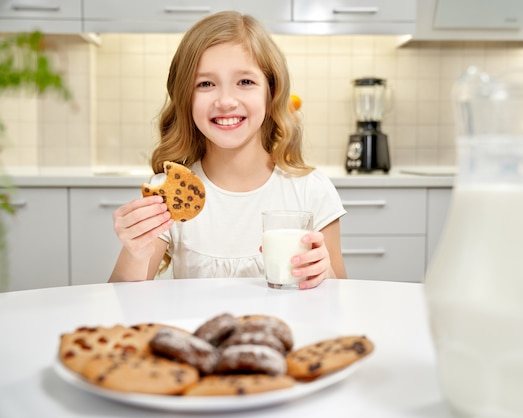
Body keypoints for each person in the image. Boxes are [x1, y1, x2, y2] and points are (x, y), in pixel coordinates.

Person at [109, 11, 346, 289]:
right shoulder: (169, 194)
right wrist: (136, 250)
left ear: (271, 93)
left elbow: (339, 292)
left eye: (245, 82)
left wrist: (323, 272)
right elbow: (123, 297)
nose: (226, 101)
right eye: (206, 84)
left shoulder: (310, 190)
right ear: (186, 98)